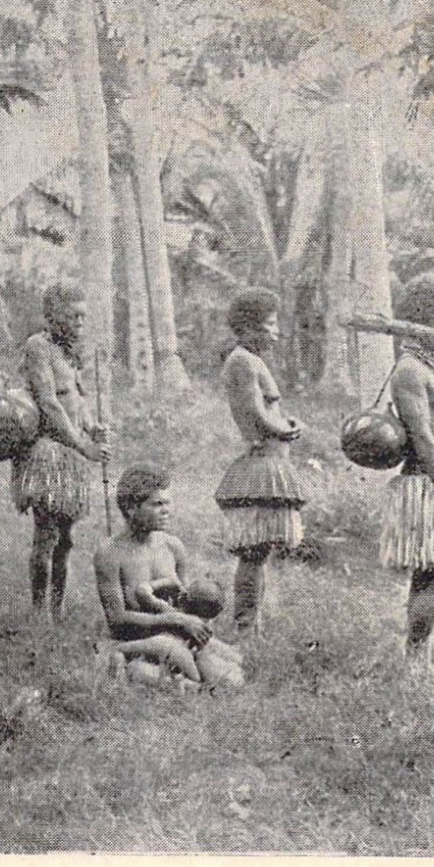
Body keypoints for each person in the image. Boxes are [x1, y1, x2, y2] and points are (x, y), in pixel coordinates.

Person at [93, 464, 244, 688]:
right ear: (131, 508)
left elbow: (184, 602)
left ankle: (188, 681)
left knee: (231, 676)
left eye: (167, 503)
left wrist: (193, 622)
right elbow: (117, 619)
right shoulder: (110, 554)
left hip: (176, 637)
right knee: (143, 672)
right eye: (157, 504)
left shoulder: (173, 547)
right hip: (135, 641)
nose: (166, 510)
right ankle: (177, 682)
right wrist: (175, 619)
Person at [13, 282, 110, 622]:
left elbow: (75, 402)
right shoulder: (38, 347)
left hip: (71, 455)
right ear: (53, 315)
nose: (80, 322)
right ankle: (40, 611)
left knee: (66, 538)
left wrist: (92, 426)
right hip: (48, 452)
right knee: (47, 533)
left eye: (84, 316)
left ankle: (58, 608)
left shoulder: (70, 352)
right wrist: (81, 442)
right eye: (74, 316)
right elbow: (50, 403)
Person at [380, 273, 434, 659]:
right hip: (426, 483)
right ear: (424, 321)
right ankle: (416, 653)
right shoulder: (410, 370)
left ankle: (416, 652)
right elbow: (422, 436)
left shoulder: (432, 368)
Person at [214, 287, 304, 634]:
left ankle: (253, 624)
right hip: (261, 458)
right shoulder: (241, 361)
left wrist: (287, 424)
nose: (276, 331)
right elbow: (255, 413)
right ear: (249, 328)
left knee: (261, 552)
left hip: (271, 459)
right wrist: (286, 429)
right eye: (269, 324)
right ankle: (245, 624)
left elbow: (268, 412)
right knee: (253, 552)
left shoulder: (251, 360)